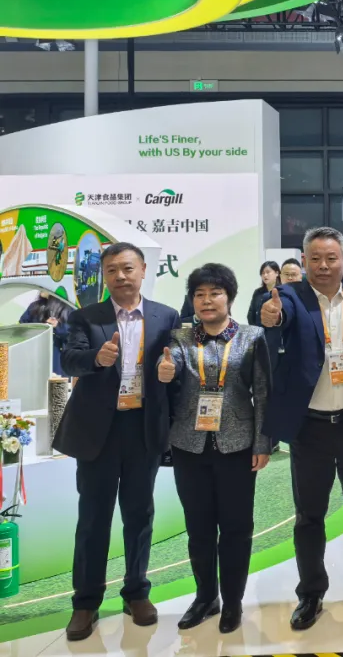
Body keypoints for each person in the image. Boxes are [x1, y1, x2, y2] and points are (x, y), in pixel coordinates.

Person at [258, 228, 343, 630]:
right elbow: (276, 314)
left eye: (331, 258)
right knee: (308, 517)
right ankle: (311, 594)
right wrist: (271, 314)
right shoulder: (292, 297)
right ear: (304, 261)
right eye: (315, 258)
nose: (323, 266)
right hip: (310, 429)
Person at [54, 243, 181, 641]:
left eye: (128, 268)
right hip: (99, 432)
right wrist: (97, 358)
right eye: (112, 270)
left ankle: (136, 592)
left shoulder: (166, 316)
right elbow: (68, 359)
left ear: (142, 270)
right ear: (104, 276)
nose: (121, 276)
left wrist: (172, 370)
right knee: (93, 518)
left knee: (139, 515)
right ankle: (86, 601)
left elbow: (177, 365)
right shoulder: (85, 317)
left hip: (143, 429)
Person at [157, 264, 272, 634]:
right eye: (200, 294)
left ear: (230, 298)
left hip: (237, 445)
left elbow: (263, 393)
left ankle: (233, 602)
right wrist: (165, 369)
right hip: (189, 447)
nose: (207, 301)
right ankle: (206, 597)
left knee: (236, 528)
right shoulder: (180, 338)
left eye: (215, 293)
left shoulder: (252, 337)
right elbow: (170, 364)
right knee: (199, 528)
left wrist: (263, 443)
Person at [19, 290, 72, 375]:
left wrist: (58, 326)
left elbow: (74, 335)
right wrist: (39, 328)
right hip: (35, 356)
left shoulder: (67, 309)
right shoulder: (34, 306)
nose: (41, 288)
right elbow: (22, 328)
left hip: (58, 358)